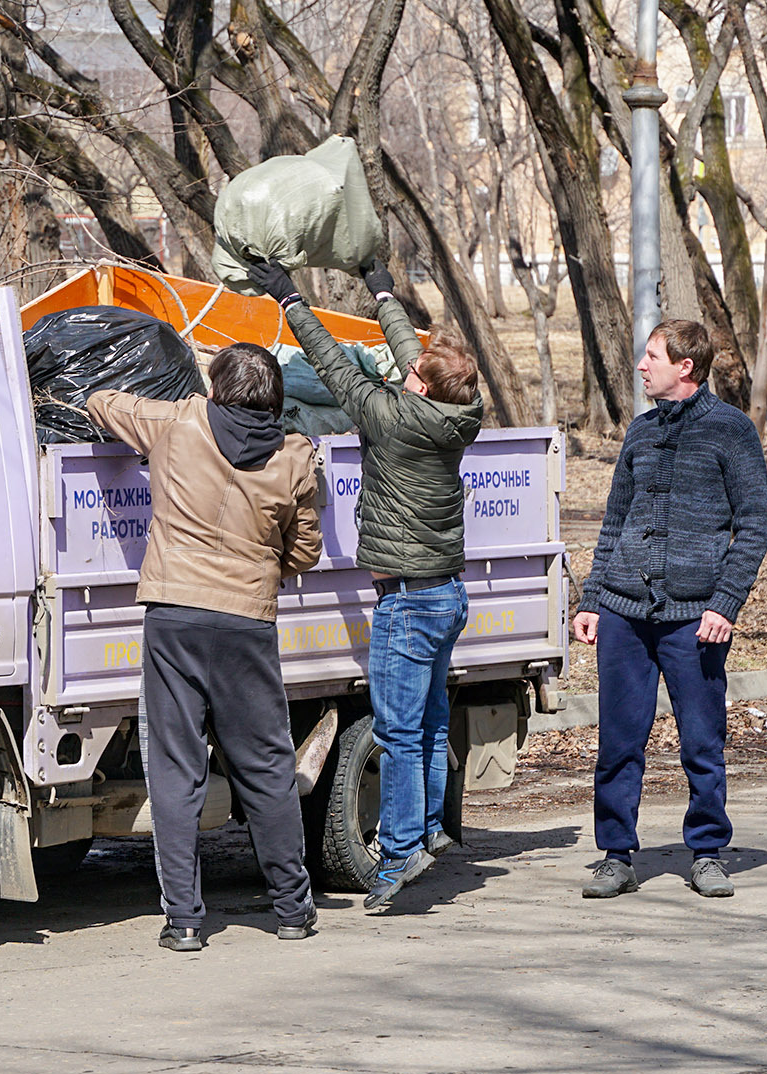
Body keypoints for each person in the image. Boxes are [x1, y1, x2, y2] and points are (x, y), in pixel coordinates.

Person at [248, 257, 484, 913]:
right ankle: (432, 830)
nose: (401, 370)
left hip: (407, 603)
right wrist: (383, 292)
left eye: (411, 376)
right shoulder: (460, 414)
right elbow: (415, 353)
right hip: (445, 597)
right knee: (433, 725)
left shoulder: (393, 419)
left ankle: (401, 854)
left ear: (425, 391)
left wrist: (291, 299)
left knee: (400, 733)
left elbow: (331, 365)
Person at [86, 345, 322, 952]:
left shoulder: (175, 425)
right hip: (247, 624)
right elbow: (304, 554)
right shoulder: (295, 458)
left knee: (176, 770)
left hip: (175, 619)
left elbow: (102, 403)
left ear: (215, 390)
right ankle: (293, 911)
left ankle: (185, 922)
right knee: (268, 766)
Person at [571, 320, 767, 900]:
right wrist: (591, 600)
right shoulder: (639, 432)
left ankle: (707, 852)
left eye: (652, 356)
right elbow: (614, 523)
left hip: (696, 618)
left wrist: (725, 604)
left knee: (702, 741)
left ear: (686, 366)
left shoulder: (731, 432)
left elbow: (755, 525)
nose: (641, 365)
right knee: (618, 740)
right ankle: (615, 854)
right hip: (624, 613)